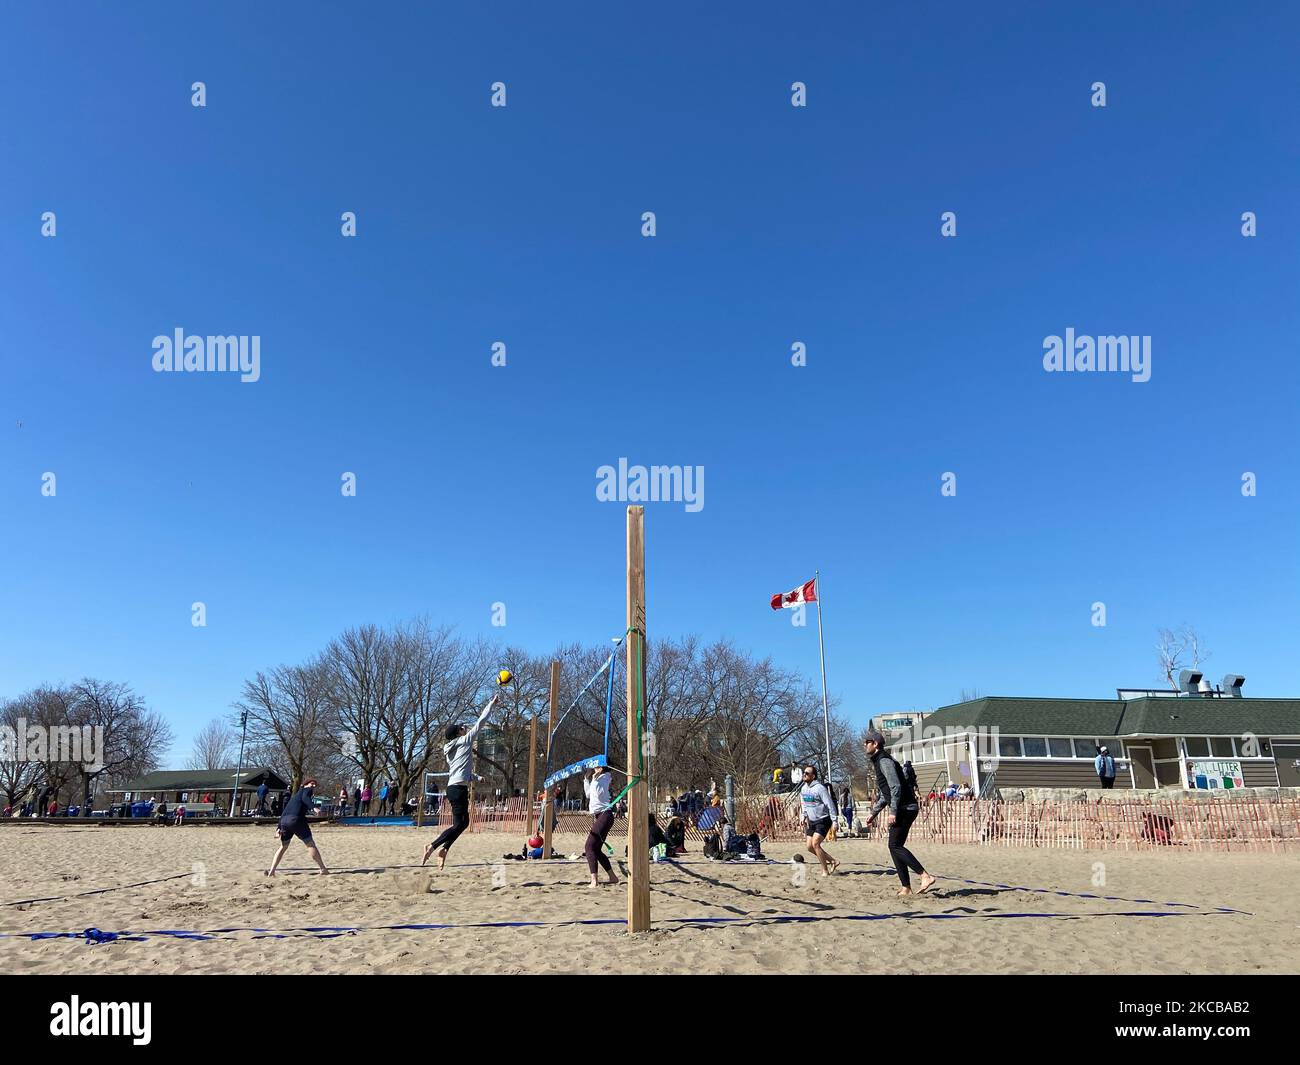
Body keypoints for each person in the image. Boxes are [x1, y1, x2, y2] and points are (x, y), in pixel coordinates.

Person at [422, 691, 500, 868]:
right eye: (462, 727)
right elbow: (481, 720)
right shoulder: (465, 741)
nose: (465, 727)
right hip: (457, 789)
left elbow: (461, 771)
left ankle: (444, 849)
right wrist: (492, 703)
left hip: (455, 787)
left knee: (463, 823)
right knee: (461, 824)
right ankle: (433, 846)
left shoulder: (452, 750)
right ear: (458, 733)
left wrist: (477, 777)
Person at [862, 729, 935, 897]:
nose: (864, 744)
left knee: (894, 845)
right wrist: (874, 812)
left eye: (867, 742)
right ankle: (906, 887)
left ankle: (925, 876)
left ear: (876, 744)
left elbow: (895, 787)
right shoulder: (879, 761)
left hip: (905, 808)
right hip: (903, 807)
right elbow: (885, 792)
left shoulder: (884, 761)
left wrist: (893, 811)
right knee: (894, 846)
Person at [582, 765, 619, 888]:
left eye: (596, 766)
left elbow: (598, 792)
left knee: (589, 846)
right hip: (600, 815)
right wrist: (586, 780)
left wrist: (595, 778)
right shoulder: (597, 779)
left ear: (602, 768)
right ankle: (613, 877)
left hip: (605, 815)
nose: (594, 768)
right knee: (596, 849)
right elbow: (589, 794)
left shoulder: (605, 777)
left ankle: (594, 880)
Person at [799, 765, 839, 875]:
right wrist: (803, 816)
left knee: (816, 843)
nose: (804, 775)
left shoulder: (820, 788)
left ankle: (825, 871)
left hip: (823, 820)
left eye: (807, 773)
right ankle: (833, 861)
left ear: (813, 776)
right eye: (804, 773)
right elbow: (804, 805)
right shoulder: (803, 789)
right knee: (809, 847)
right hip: (811, 821)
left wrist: (834, 821)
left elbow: (830, 805)